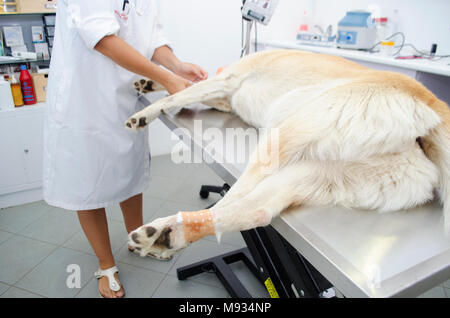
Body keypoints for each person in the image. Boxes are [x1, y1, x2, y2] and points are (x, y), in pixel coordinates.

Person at [43, 0, 208, 298]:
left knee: (130, 170)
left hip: (125, 94)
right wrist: (166, 78)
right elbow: (104, 40)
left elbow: (151, 37)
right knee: (88, 183)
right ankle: (106, 264)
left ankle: (138, 239)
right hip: (85, 97)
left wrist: (176, 65)